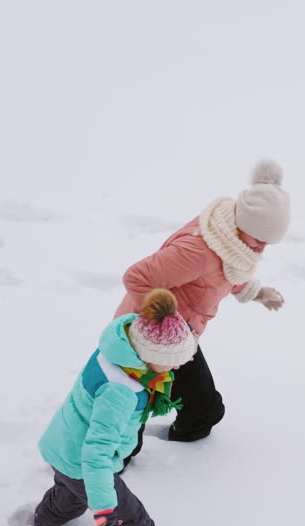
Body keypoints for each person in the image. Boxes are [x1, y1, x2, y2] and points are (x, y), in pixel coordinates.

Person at [18, 288, 197, 526]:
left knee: (69, 497)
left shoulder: (120, 348)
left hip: (63, 446)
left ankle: (43, 519)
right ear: (152, 356)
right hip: (85, 463)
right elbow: (96, 455)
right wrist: (106, 518)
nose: (178, 367)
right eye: (174, 360)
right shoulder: (121, 390)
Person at [114, 159, 290, 444]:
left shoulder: (231, 240)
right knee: (124, 417)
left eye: (269, 242)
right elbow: (136, 277)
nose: (262, 247)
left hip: (181, 335)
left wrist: (256, 292)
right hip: (144, 336)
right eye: (259, 238)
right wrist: (165, 322)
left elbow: (227, 271)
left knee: (203, 410)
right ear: (244, 221)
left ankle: (186, 453)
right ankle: (92, 468)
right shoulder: (199, 250)